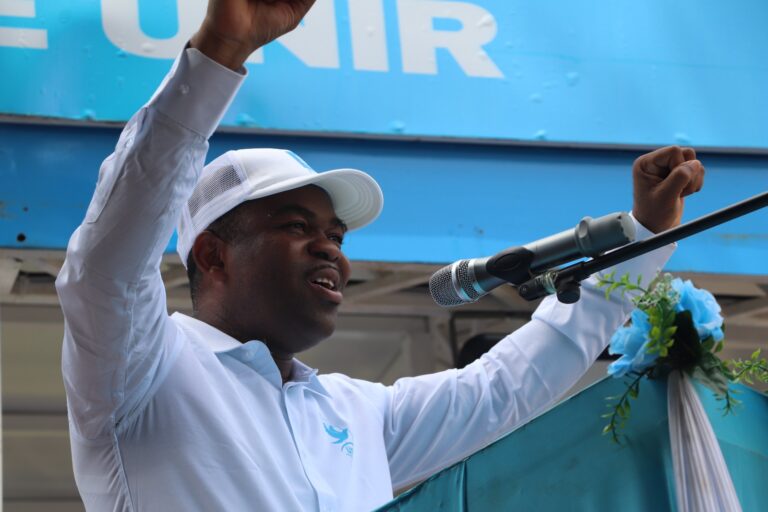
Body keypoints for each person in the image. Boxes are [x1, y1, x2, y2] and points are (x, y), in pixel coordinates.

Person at [55, 0, 705, 510]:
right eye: (295, 225)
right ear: (214, 255)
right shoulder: (142, 370)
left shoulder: (358, 413)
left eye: (336, 234)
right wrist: (218, 56)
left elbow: (511, 386)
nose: (330, 249)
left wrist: (642, 238)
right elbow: (108, 264)